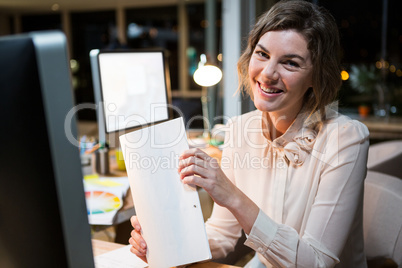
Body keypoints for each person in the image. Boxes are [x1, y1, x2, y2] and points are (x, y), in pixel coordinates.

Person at [129, 0, 370, 267]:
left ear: (317, 76)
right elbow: (221, 235)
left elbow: (316, 262)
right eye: (262, 54)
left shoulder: (346, 138)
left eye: (290, 63)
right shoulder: (239, 129)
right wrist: (169, 244)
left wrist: (232, 195)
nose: (267, 74)